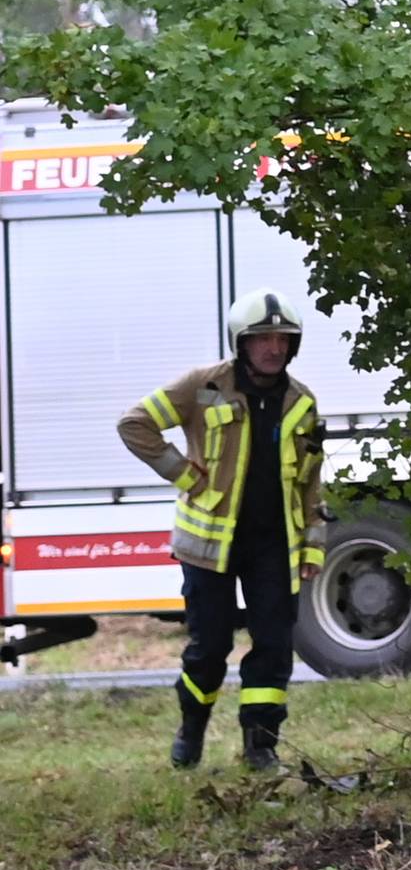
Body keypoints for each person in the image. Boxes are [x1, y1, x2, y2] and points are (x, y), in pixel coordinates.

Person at [118, 290, 329, 773]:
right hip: (209, 547)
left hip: (274, 548)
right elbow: (135, 425)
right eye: (263, 338)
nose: (274, 347)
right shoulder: (203, 385)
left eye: (284, 339)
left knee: (273, 647)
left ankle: (261, 746)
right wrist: (184, 474)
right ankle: (191, 729)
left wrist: (314, 545)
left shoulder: (302, 401)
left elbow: (311, 482)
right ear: (241, 342)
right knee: (209, 647)